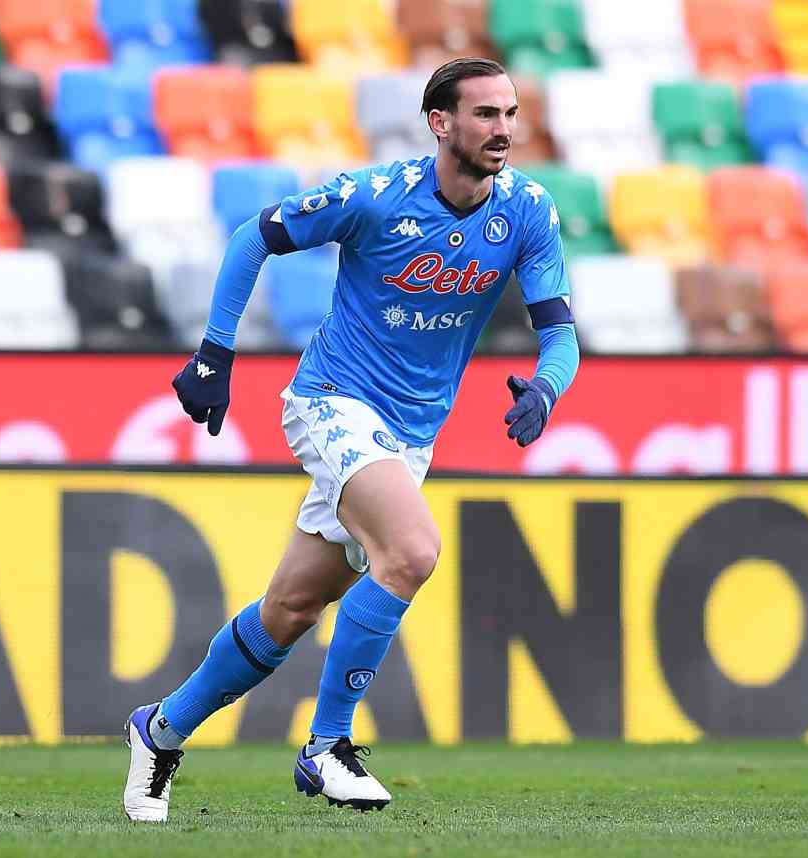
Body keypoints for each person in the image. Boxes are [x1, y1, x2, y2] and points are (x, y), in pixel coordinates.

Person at [121, 57, 579, 822]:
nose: (503, 129)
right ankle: (327, 745)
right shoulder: (375, 197)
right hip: (333, 401)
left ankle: (159, 730)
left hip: (409, 434)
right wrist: (214, 351)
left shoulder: (528, 210)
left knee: (291, 609)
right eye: (485, 114)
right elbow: (253, 236)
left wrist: (545, 386)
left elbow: (559, 331)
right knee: (412, 553)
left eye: (509, 114)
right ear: (441, 124)